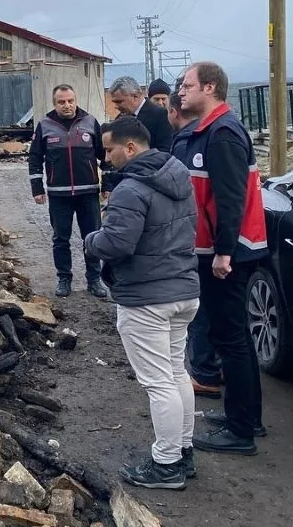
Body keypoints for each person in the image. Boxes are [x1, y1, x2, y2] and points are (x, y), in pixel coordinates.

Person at [84, 116, 201, 489]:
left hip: (147, 298)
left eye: (109, 149)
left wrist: (90, 241)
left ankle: (166, 464)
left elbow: (118, 243)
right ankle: (183, 452)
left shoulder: (131, 189)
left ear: (130, 147)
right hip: (184, 291)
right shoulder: (178, 173)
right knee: (176, 372)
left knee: (158, 383)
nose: (106, 157)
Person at [172, 62, 268, 455]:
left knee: (231, 338)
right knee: (232, 336)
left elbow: (232, 199)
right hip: (215, 251)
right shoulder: (205, 130)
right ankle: (245, 416)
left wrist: (224, 253)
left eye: (187, 84)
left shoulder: (223, 134)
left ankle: (242, 430)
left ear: (209, 88)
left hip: (224, 255)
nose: (180, 91)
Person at [28, 85, 107, 298]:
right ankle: (64, 278)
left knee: (91, 237)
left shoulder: (90, 122)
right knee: (60, 238)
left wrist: (106, 186)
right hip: (59, 194)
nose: (67, 105)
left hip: (88, 193)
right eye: (62, 102)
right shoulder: (45, 125)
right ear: (55, 103)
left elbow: (105, 157)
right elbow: (34, 159)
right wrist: (37, 188)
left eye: (70, 100)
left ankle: (94, 279)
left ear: (76, 100)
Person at [169, 89, 223, 398]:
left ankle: (204, 372)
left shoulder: (187, 142)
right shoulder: (211, 135)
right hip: (215, 241)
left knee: (198, 308)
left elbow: (181, 193)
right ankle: (216, 366)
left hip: (198, 241)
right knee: (217, 308)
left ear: (175, 112)